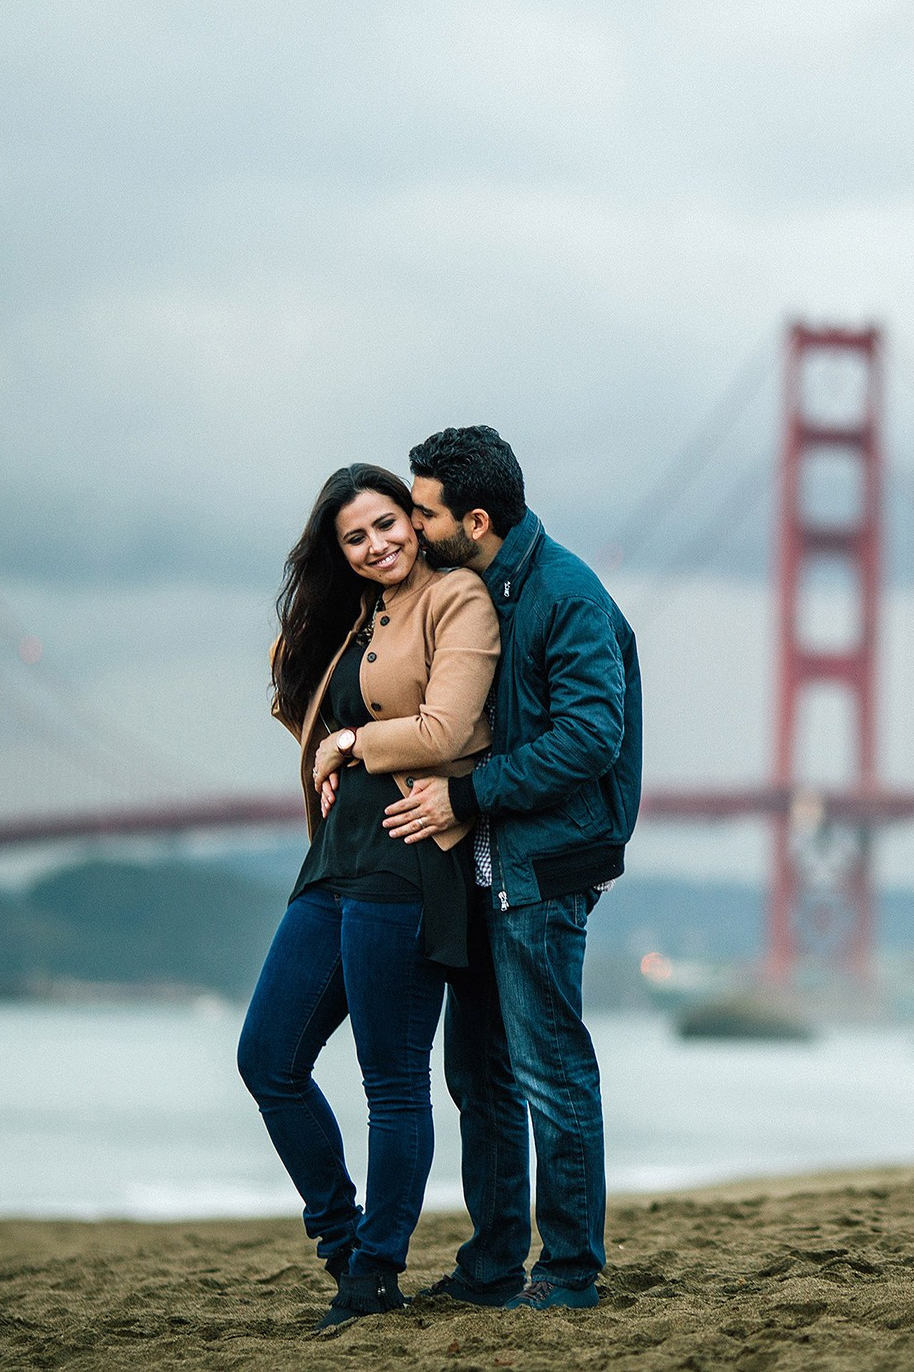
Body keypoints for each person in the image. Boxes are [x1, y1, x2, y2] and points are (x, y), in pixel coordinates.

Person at [383, 425, 642, 1312]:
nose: (412, 528)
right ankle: (494, 1263)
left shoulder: (567, 595)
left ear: (476, 518)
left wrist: (467, 796)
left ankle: (568, 1273)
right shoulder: (476, 591)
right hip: (486, 867)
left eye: (422, 513)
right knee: (479, 1073)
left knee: (549, 1069)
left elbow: (589, 736)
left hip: (544, 867)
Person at [237, 462, 500, 1330]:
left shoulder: (455, 599)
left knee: (392, 1081)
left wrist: (352, 738)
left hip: (406, 853)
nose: (379, 544)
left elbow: (452, 729)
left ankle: (377, 1271)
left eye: (390, 524)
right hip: (333, 858)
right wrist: (323, 727)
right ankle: (343, 1242)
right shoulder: (354, 613)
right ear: (339, 550)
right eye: (356, 537)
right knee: (267, 1058)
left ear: (413, 522)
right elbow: (304, 711)